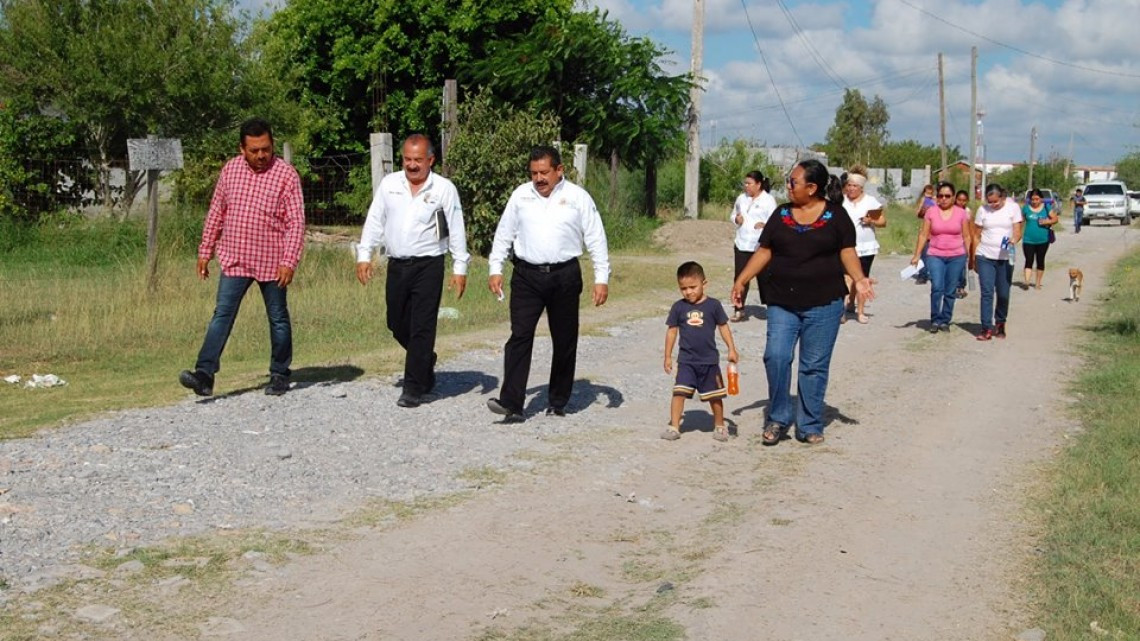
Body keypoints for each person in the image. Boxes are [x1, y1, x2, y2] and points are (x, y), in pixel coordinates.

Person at [731, 159, 875, 446]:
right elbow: (764, 251)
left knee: (814, 365)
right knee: (776, 356)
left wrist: (859, 278)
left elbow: (847, 252)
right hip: (782, 301)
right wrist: (742, 280)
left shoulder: (837, 216)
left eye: (793, 182)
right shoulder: (781, 214)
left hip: (824, 304)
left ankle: (809, 423)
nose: (788, 186)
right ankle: (778, 416)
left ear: (811, 188)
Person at [179, 118, 304, 397]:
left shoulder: (286, 175)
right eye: (254, 150)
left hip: (272, 261)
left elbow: (296, 222)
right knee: (222, 314)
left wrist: (289, 261)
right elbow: (217, 211)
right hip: (235, 256)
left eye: (266, 149)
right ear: (242, 149)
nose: (261, 156)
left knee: (278, 317)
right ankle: (204, 374)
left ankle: (280, 373)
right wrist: (205, 251)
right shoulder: (231, 170)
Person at [485, 146, 610, 422]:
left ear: (559, 170)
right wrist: (495, 269)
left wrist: (602, 278)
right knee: (519, 336)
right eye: (534, 173)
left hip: (564, 275)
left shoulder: (578, 197)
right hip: (526, 275)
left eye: (544, 172)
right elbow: (504, 234)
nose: (539, 178)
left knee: (564, 339)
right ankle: (512, 403)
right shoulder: (520, 196)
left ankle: (557, 400)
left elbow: (596, 238)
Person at [356, 134, 469, 408]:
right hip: (397, 265)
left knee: (422, 325)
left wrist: (460, 267)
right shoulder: (389, 185)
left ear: (430, 160)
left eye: (418, 160)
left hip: (428, 264)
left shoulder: (443, 188)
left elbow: (455, 228)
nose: (412, 165)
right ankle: (424, 359)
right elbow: (375, 220)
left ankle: (413, 388)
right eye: (407, 159)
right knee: (396, 322)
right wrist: (364, 255)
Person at [662, 261, 739, 442]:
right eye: (683, 288)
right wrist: (667, 356)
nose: (688, 292)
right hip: (686, 361)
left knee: (715, 396)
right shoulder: (678, 307)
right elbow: (672, 331)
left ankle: (719, 426)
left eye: (692, 287)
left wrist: (732, 349)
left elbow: (723, 327)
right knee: (679, 392)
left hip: (709, 361)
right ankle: (674, 426)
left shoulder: (713, 306)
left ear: (704, 284)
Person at [910, 181, 970, 333]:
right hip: (935, 254)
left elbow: (967, 235)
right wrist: (917, 255)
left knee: (950, 290)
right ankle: (935, 319)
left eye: (947, 196)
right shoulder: (931, 212)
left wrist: (969, 255)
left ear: (953, 197)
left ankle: (945, 319)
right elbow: (924, 234)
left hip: (957, 256)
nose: (944, 199)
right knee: (937, 287)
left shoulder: (961, 213)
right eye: (941, 196)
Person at [971, 183, 1023, 341]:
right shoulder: (982, 211)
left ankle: (1000, 322)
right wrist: (973, 257)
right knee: (986, 292)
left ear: (1003, 197)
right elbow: (976, 235)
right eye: (989, 201)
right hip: (985, 256)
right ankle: (986, 327)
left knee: (1003, 293)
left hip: (1005, 258)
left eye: (995, 201)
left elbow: (1017, 231)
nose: (992, 205)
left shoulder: (1013, 208)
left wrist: (1013, 241)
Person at [730, 170, 777, 322]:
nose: (747, 186)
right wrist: (737, 219)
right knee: (740, 277)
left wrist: (765, 225)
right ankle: (739, 308)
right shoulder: (741, 199)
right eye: (745, 183)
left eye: (750, 183)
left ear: (759, 184)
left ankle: (772, 308)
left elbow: (775, 221)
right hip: (742, 243)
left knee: (765, 278)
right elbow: (733, 215)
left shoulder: (768, 200)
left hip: (760, 245)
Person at [840, 166, 885, 324]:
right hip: (846, 246)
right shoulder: (841, 201)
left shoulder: (871, 201)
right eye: (849, 185)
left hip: (866, 246)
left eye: (855, 186)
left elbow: (882, 221)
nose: (851, 188)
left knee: (862, 278)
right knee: (847, 278)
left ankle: (860, 311)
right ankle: (843, 310)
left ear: (861, 187)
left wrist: (871, 221)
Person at [1019, 188, 1059, 290]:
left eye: (1037, 199)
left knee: (1040, 260)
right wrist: (1018, 233)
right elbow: (1021, 222)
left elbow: (1055, 219)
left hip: (1043, 240)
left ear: (1041, 199)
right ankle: (1027, 282)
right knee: (1029, 260)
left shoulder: (1046, 207)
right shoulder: (1026, 208)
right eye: (1032, 199)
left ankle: (1037, 283)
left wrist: (1046, 222)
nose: (1035, 201)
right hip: (1028, 239)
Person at [913, 183, 935, 284]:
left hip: (935, 229)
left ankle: (933, 274)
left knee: (934, 254)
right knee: (923, 253)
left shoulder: (935, 200)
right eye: (927, 192)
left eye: (930, 192)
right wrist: (923, 210)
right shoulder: (923, 200)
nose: (928, 194)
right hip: (925, 228)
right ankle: (922, 274)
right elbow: (917, 213)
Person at [953, 189, 973, 299]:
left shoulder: (968, 212)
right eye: (959, 200)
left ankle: (960, 287)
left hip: (963, 243)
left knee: (962, 267)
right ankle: (952, 286)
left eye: (964, 200)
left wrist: (970, 246)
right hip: (951, 243)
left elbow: (970, 229)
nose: (961, 202)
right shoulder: (951, 210)